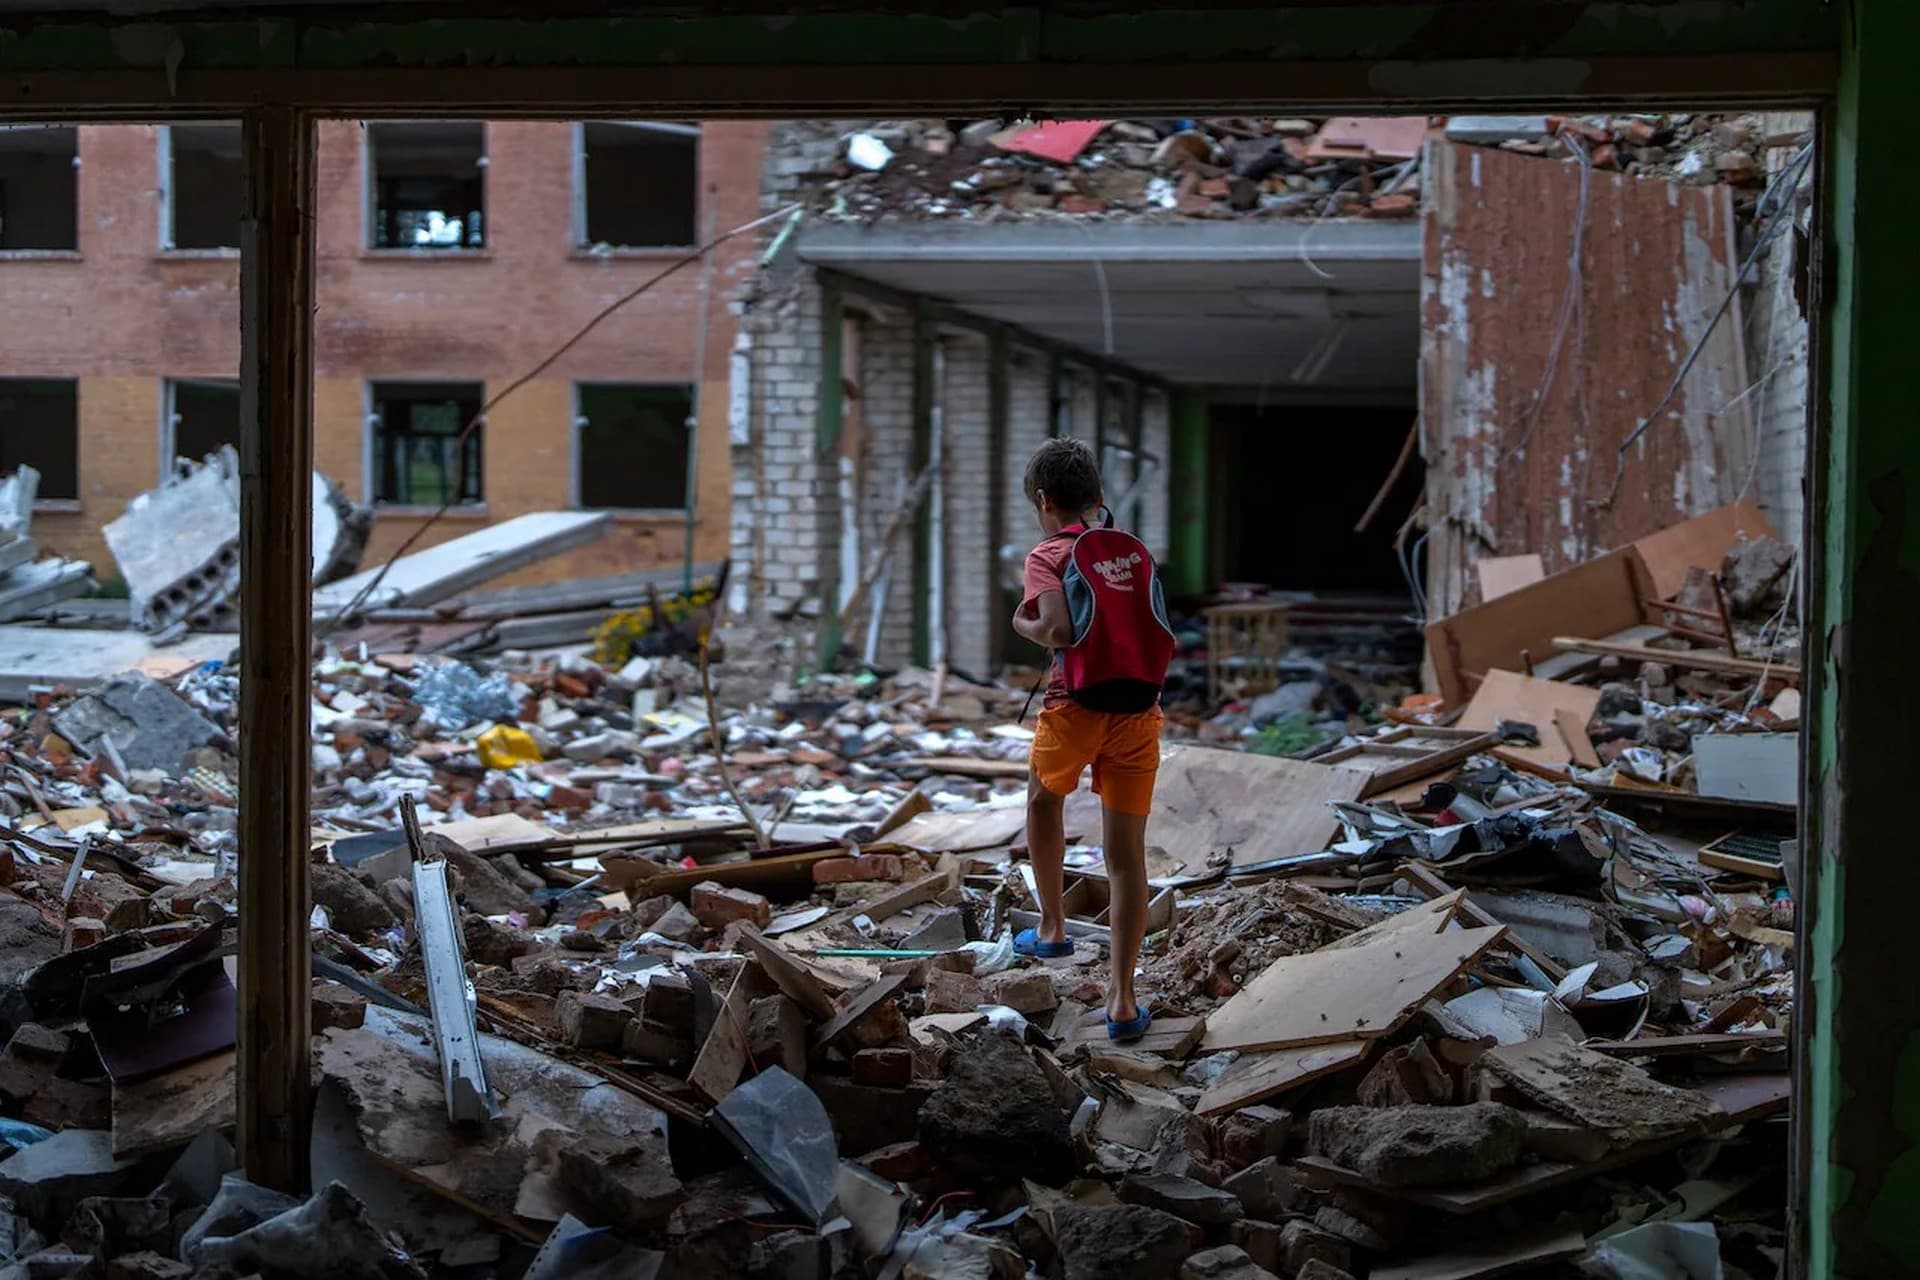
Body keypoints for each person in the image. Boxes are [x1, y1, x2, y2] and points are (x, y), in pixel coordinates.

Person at [1010, 438, 1170, 1041]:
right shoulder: (1131, 553)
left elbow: (1056, 628)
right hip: (1138, 710)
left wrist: (1019, 621)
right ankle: (1124, 1002)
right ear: (1097, 501)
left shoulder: (1048, 554)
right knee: (1127, 857)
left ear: (1044, 500)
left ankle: (1052, 928)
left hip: (1074, 706)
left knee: (1043, 801)